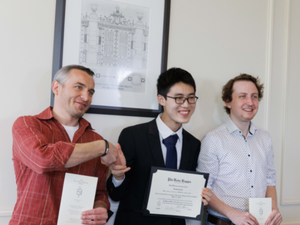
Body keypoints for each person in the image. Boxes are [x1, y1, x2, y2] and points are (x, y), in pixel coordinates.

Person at [10, 65, 119, 225]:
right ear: (56, 87)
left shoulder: (95, 139)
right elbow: (43, 160)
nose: (86, 97)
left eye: (90, 92)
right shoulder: (27, 124)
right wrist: (102, 147)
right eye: (78, 87)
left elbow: (99, 192)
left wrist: (100, 208)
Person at [106, 68, 212, 225]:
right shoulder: (133, 136)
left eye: (191, 98)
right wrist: (118, 177)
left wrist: (199, 196)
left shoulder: (194, 144)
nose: (186, 105)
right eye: (178, 98)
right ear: (161, 99)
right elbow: (116, 195)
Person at [198, 74, 283, 225]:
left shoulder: (265, 138)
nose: (250, 102)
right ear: (228, 102)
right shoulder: (213, 140)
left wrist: (274, 210)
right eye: (242, 96)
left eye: (254, 96)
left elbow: (270, 179)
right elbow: (204, 189)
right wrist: (233, 215)